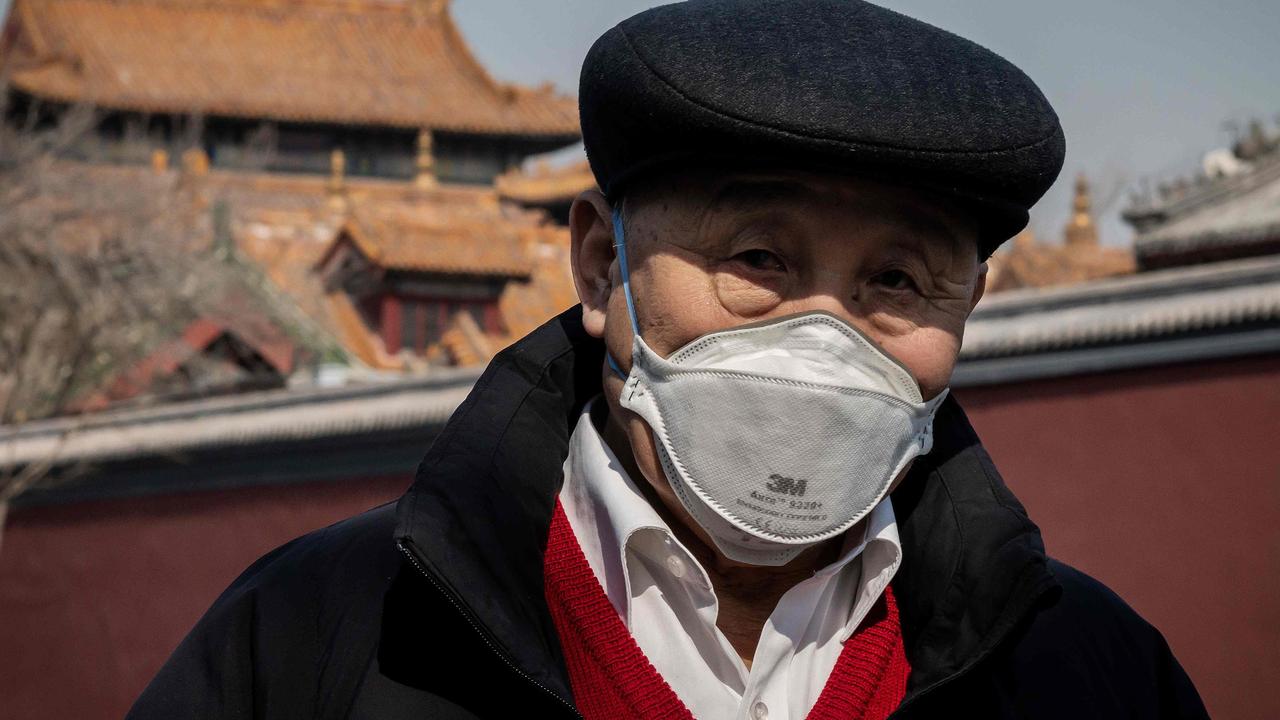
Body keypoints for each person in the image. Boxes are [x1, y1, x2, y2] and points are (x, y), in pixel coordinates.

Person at [129, 1, 1209, 718]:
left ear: (968, 308)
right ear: (602, 267)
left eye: (894, 283)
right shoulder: (328, 638)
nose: (820, 339)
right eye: (756, 258)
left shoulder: (1089, 676)